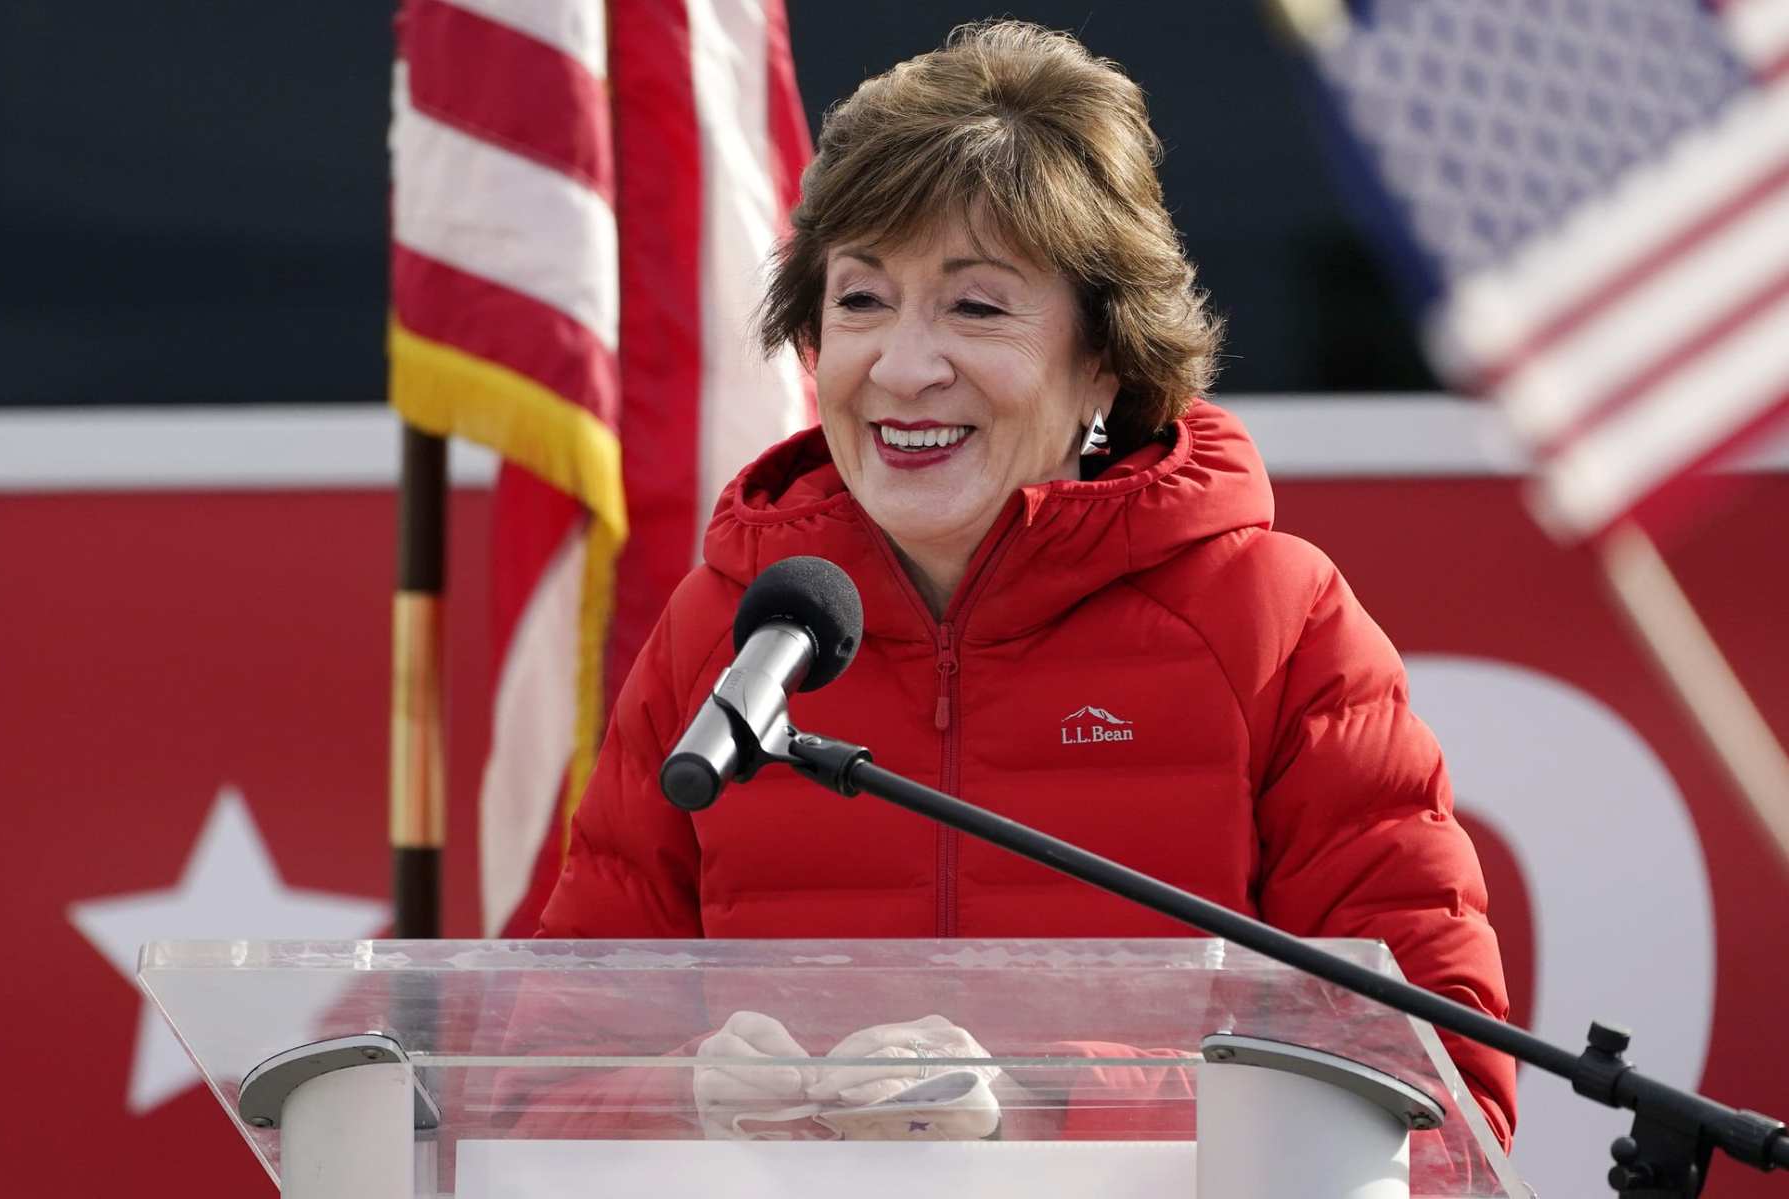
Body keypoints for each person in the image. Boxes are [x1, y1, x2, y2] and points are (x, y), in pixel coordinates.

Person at [535, 19, 1517, 1151]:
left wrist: (1046, 1100)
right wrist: (677, 1097)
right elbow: (523, 1087)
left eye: (976, 306)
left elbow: (1444, 1111)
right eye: (859, 301)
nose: (902, 367)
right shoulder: (726, 630)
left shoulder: (1276, 621)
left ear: (1104, 356)